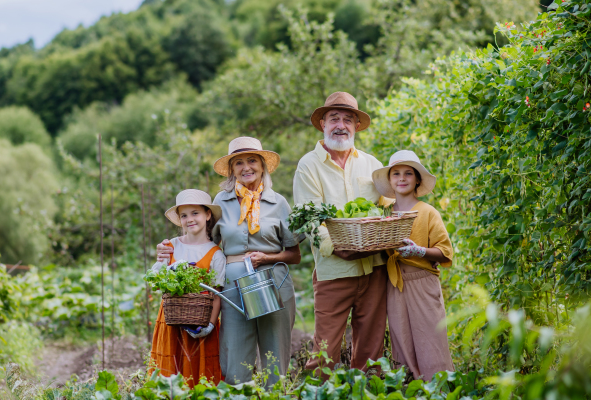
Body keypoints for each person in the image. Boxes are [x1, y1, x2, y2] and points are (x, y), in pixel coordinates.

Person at [157, 136, 301, 386]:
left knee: (275, 355)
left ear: (262, 165)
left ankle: (274, 393)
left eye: (252, 161)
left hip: (274, 281)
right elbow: (199, 235)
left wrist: (267, 257)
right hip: (233, 286)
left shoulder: (279, 203)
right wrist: (170, 247)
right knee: (234, 355)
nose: (246, 167)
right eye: (239, 163)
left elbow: (294, 254)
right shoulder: (220, 202)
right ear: (232, 170)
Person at [293, 92, 389, 373]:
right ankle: (320, 393)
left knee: (371, 351)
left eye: (348, 119)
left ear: (356, 126)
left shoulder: (371, 164)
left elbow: (386, 209)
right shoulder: (308, 165)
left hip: (373, 269)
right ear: (322, 123)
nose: (341, 125)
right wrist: (338, 247)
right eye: (334, 118)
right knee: (324, 351)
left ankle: (367, 392)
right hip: (334, 270)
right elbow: (309, 219)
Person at [371, 150, 454, 380]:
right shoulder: (384, 214)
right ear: (389, 180)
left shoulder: (428, 212)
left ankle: (438, 387)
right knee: (402, 339)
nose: (402, 178)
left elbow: (446, 252)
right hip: (395, 283)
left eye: (408, 173)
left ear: (417, 179)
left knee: (430, 338)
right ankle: (408, 388)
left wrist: (419, 251)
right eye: (396, 173)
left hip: (422, 282)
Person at [150, 189, 225, 387]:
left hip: (200, 323)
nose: (189, 219)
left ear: (207, 215)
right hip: (171, 322)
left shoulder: (216, 254)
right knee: (170, 372)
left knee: (199, 375)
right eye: (184, 215)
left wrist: (209, 325)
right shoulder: (171, 246)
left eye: (195, 213)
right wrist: (162, 264)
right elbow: (154, 280)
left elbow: (217, 294)